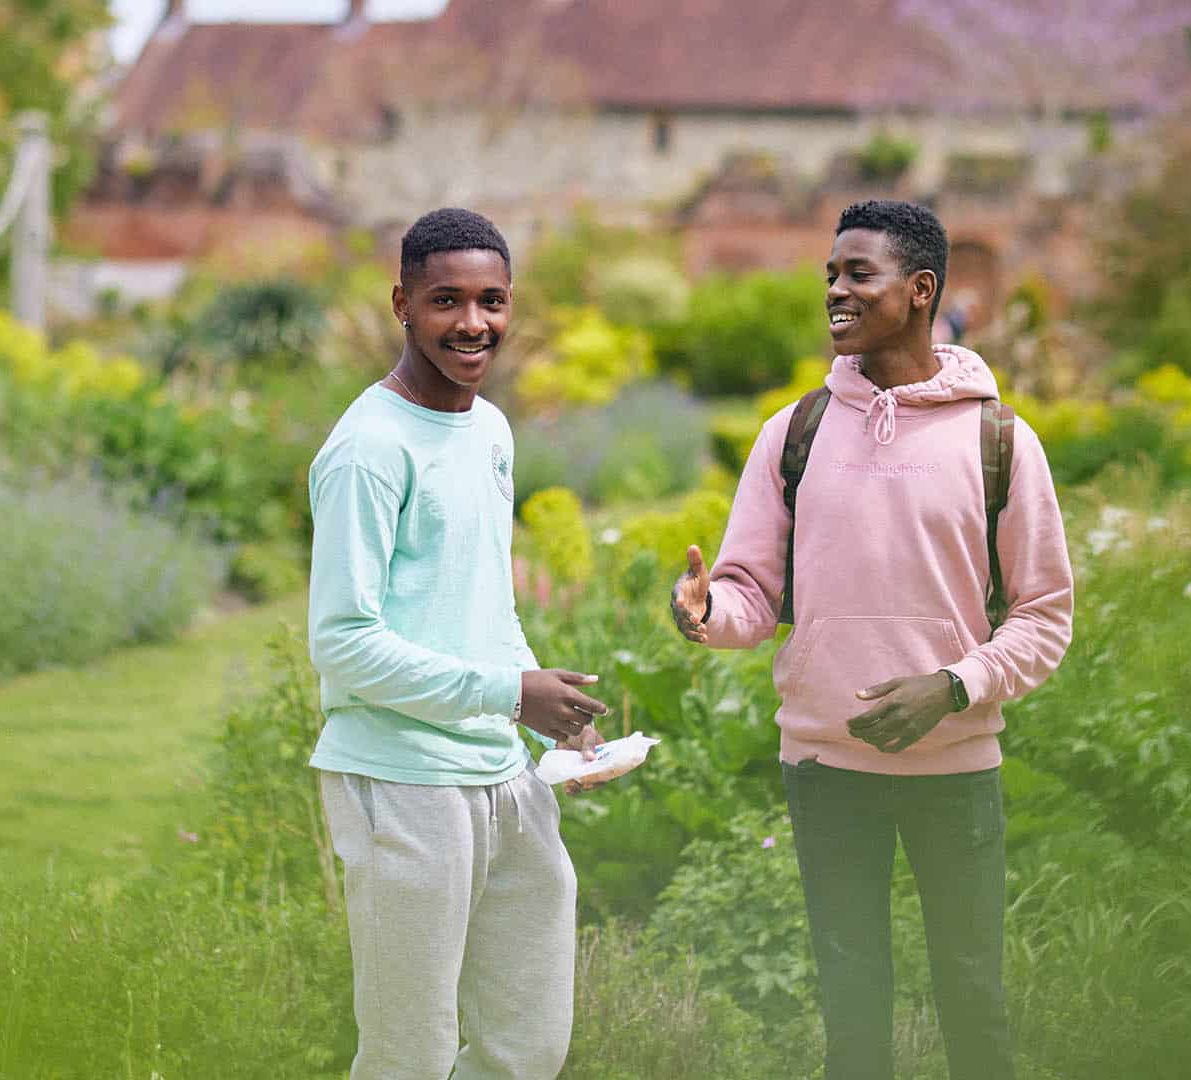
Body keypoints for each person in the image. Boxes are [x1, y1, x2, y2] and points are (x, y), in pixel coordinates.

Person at [670, 199, 1074, 1080]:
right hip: (826, 765)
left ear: (920, 290)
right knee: (852, 1010)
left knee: (974, 1000)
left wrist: (957, 684)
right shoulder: (794, 434)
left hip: (956, 766)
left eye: (859, 275)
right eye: (830, 276)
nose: (835, 292)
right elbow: (750, 593)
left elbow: (1044, 616)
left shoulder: (998, 438)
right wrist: (707, 614)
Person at [306, 207, 608, 1080]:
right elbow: (344, 642)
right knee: (410, 1052)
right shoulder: (368, 450)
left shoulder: (489, 429)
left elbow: (482, 597)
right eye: (447, 301)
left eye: (492, 301)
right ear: (402, 303)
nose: (473, 323)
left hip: (502, 775)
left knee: (527, 1046)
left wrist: (547, 709)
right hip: (400, 780)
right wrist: (511, 693)